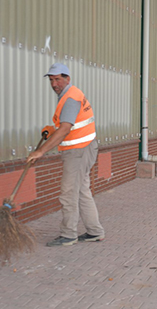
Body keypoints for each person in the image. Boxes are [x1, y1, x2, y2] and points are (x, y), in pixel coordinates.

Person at [27, 63, 105, 247]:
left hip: (78, 152)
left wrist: (41, 151)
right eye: (52, 80)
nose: (55, 84)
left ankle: (69, 234)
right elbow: (68, 126)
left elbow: (65, 130)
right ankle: (95, 231)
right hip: (84, 148)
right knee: (82, 191)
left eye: (58, 79)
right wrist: (52, 130)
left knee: (68, 193)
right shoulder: (71, 95)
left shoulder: (70, 98)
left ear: (67, 79)